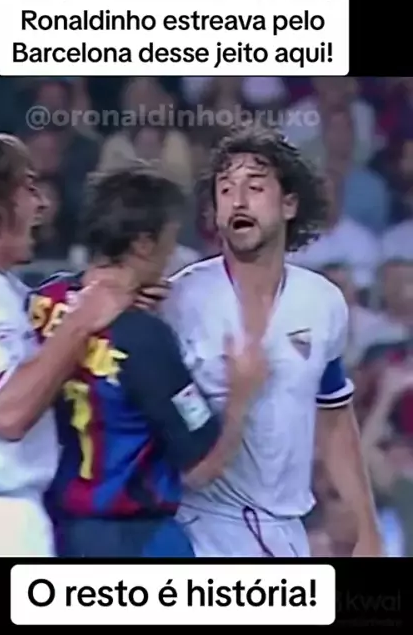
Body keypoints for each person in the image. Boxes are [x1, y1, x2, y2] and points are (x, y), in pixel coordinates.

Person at [162, 124, 382, 557]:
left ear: (289, 204)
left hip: (285, 535)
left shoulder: (322, 302)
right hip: (197, 528)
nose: (238, 200)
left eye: (255, 186)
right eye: (226, 189)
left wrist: (367, 528)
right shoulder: (179, 300)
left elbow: (335, 420)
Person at [30, 163, 266, 558]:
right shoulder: (144, 338)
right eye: (171, 239)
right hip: (132, 542)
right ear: (143, 244)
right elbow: (202, 467)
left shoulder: (41, 301)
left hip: (49, 530)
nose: (173, 254)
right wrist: (242, 397)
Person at [0, 133, 133, 557]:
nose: (41, 204)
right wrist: (79, 324)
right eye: (27, 187)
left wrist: (101, 293)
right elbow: (7, 413)